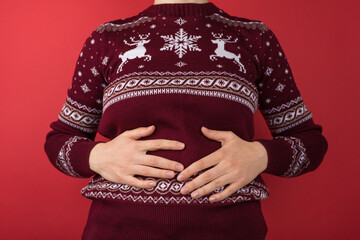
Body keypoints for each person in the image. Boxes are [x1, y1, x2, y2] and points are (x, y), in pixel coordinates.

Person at [44, 0, 328, 239]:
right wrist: (97, 157)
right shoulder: (107, 39)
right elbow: (58, 142)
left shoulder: (254, 37)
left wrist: (262, 155)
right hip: (117, 229)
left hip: (230, 230)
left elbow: (311, 143)